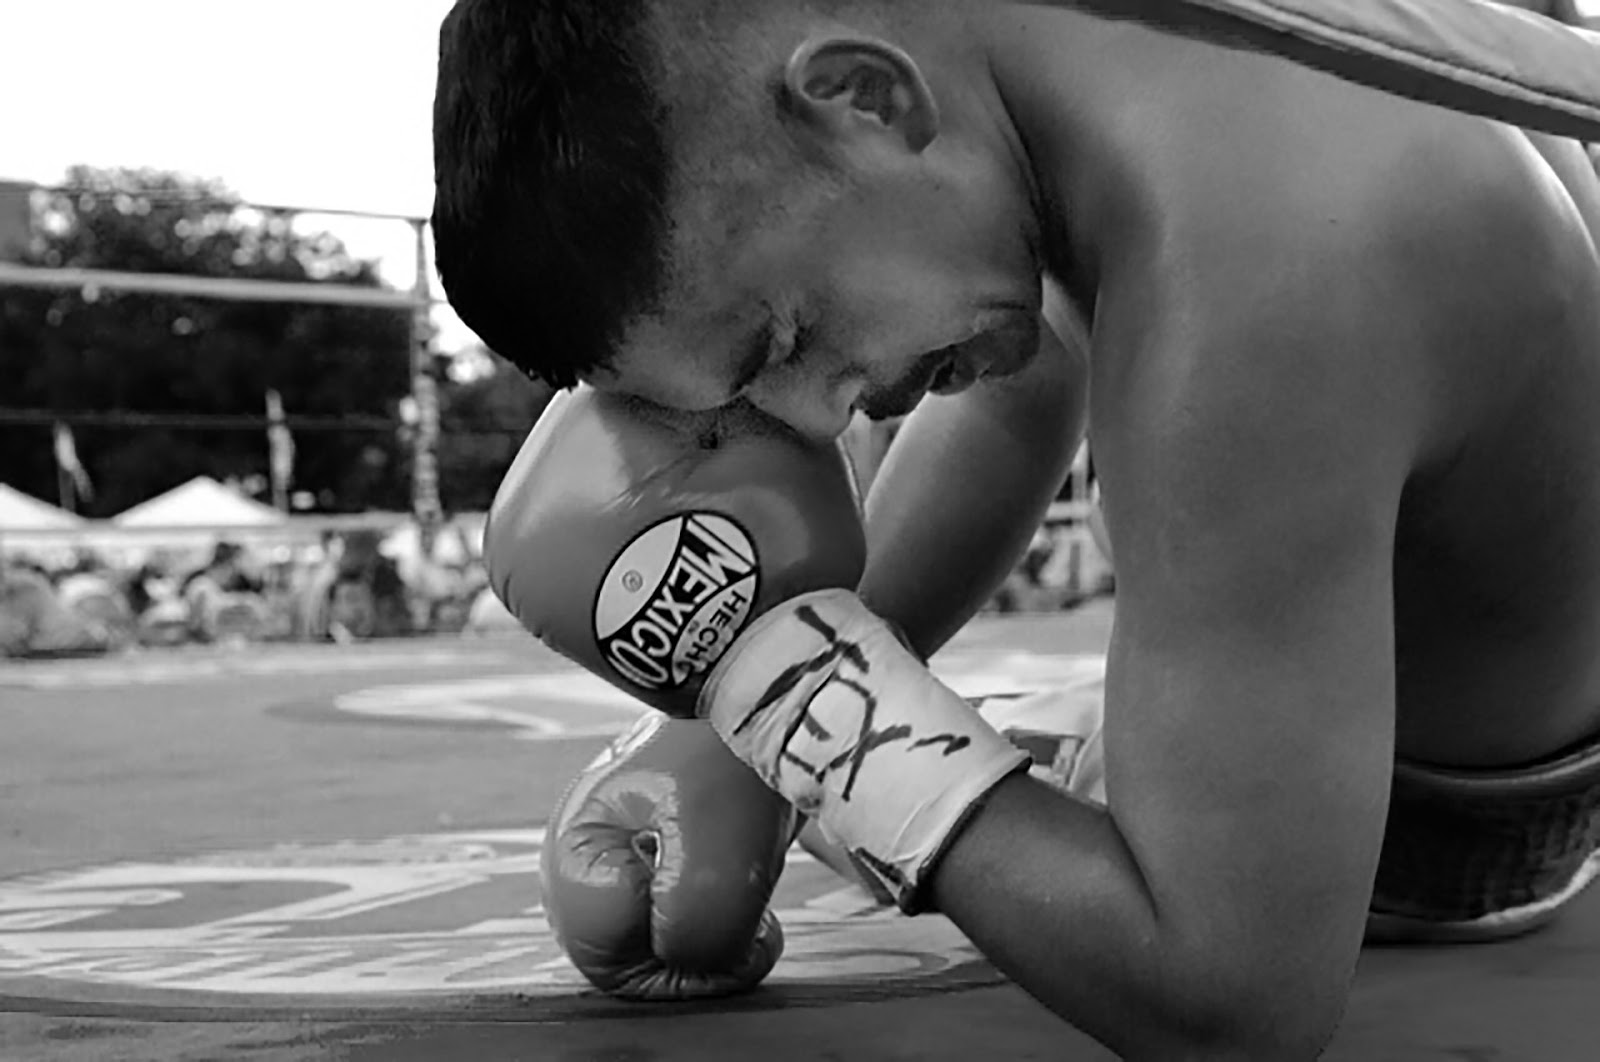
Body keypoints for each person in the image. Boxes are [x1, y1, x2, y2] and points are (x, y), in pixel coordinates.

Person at [432, 1, 1600, 1057]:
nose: (817, 419)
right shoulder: (1131, 71)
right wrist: (733, 750)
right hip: (1492, 697)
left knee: (1043, 780)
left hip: (1434, 843)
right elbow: (1015, 390)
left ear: (864, 96)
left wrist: (786, 698)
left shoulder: (1272, 274)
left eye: (783, 338)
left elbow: (1229, 1000)